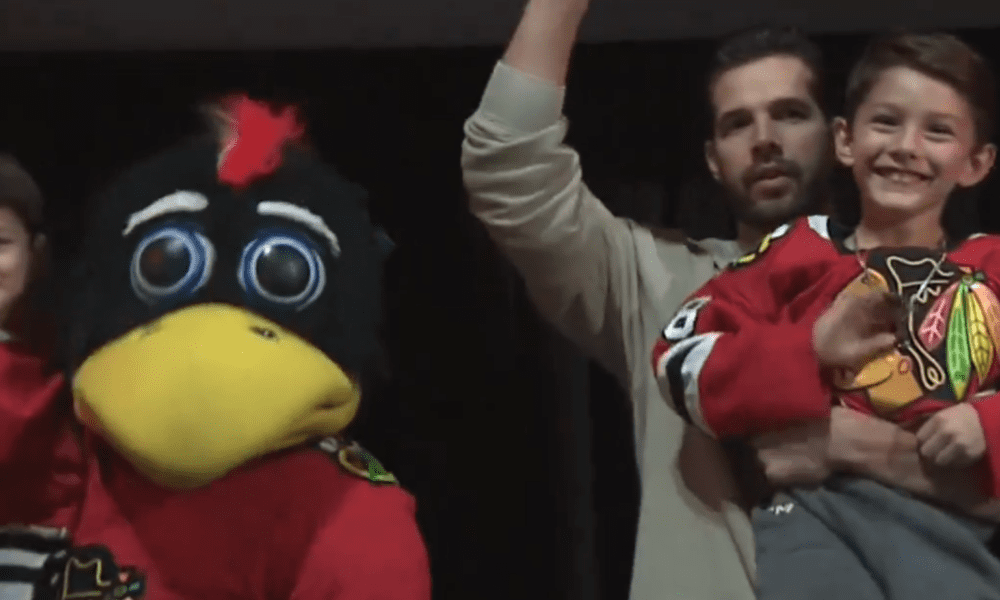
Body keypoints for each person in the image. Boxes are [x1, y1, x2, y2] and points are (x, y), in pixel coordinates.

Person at [460, 0, 996, 596]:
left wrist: (852, 447)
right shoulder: (658, 279)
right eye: (737, 124)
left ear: (835, 132)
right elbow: (507, 166)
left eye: (790, 114)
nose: (764, 140)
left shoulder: (966, 283)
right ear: (713, 160)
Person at [653, 31, 1000, 598]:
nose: (907, 146)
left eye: (937, 130)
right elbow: (677, 356)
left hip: (952, 531)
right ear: (845, 139)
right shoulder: (795, 250)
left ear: (977, 162)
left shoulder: (991, 267)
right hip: (814, 517)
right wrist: (809, 347)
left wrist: (988, 422)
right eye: (886, 122)